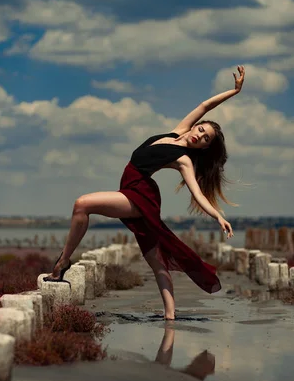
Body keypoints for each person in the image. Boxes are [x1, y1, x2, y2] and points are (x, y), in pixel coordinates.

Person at [44, 65, 246, 320]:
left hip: (141, 195)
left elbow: (197, 193)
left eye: (206, 140)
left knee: (82, 204)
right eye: (201, 130)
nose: (200, 136)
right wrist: (234, 91)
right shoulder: (177, 131)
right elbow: (205, 105)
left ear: (205, 148)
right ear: (197, 126)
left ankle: (63, 262)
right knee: (156, 261)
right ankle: (171, 315)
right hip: (130, 188)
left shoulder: (183, 159)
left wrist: (218, 215)